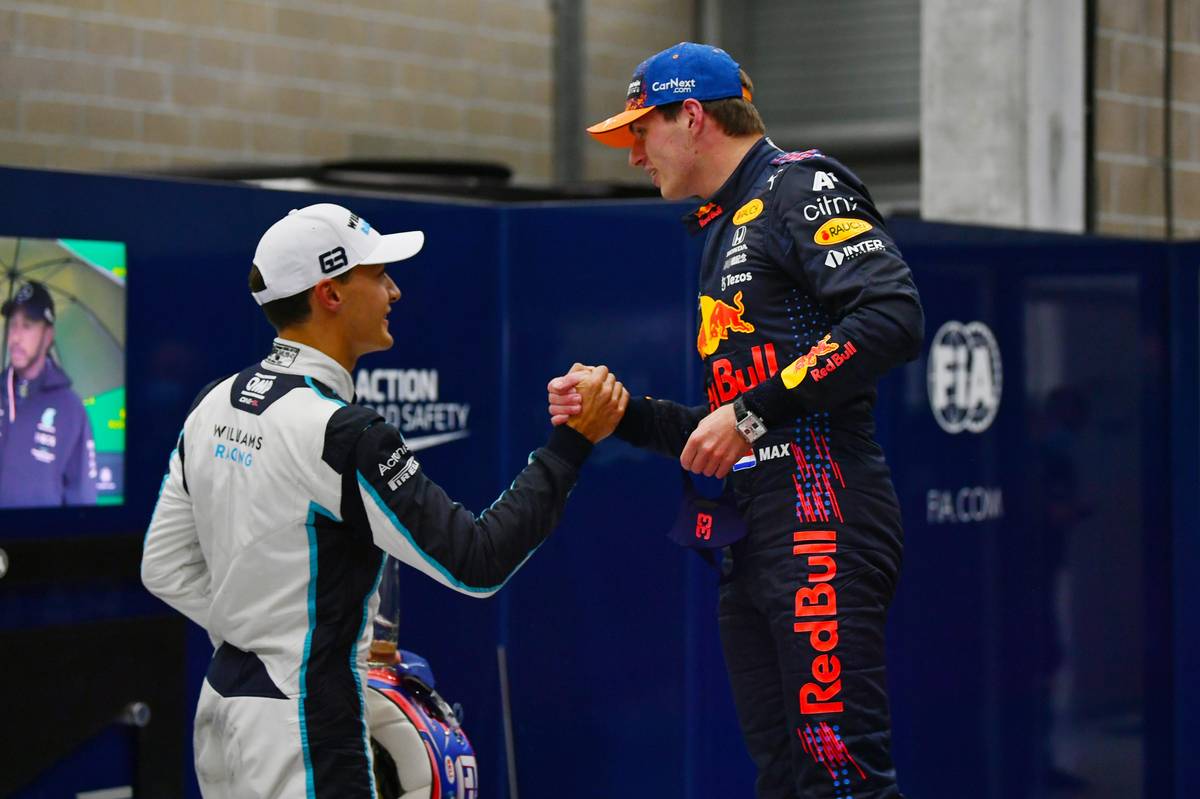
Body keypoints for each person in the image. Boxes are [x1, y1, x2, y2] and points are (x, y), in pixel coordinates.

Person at [141, 203, 627, 798]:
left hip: (222, 709)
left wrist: (254, 640)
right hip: (303, 723)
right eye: (377, 274)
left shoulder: (214, 404)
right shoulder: (342, 431)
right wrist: (571, 445)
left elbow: (161, 567)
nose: (394, 290)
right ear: (330, 294)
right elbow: (476, 561)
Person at [550, 43, 924, 798]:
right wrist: (620, 415)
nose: (632, 156)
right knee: (785, 779)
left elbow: (893, 314)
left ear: (691, 117)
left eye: (638, 131)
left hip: (823, 513)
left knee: (839, 776)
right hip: (755, 530)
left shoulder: (800, 186)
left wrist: (751, 415)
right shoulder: (723, 225)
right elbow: (724, 424)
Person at [0, 280, 97, 508]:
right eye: (12, 324)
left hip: (41, 540)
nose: (15, 337)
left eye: (27, 325)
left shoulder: (71, 408)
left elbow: (83, 499)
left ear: (48, 335)